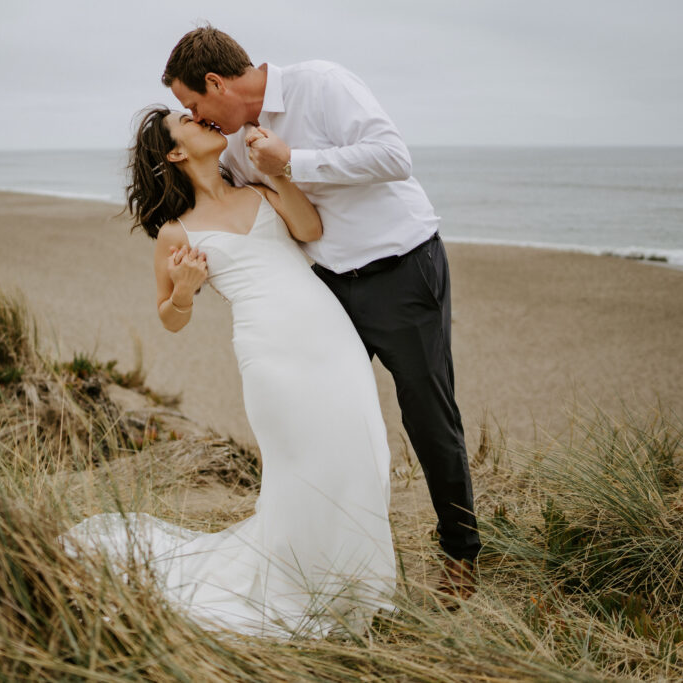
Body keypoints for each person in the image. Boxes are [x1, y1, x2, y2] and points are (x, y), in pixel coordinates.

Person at [161, 26, 481, 597]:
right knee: (330, 421)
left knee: (426, 414)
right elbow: (231, 206)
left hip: (400, 268)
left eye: (194, 104)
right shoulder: (231, 146)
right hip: (325, 294)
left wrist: (294, 160)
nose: (198, 118)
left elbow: (394, 157)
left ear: (215, 82)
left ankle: (461, 549)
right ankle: (336, 556)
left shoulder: (322, 84)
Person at [61, 106, 397, 638]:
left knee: (365, 446)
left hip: (331, 337)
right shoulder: (175, 233)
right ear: (175, 152)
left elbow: (310, 227)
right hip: (269, 351)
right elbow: (169, 318)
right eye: (186, 121)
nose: (202, 120)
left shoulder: (259, 189)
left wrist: (279, 175)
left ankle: (355, 584)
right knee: (300, 463)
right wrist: (188, 291)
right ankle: (301, 586)